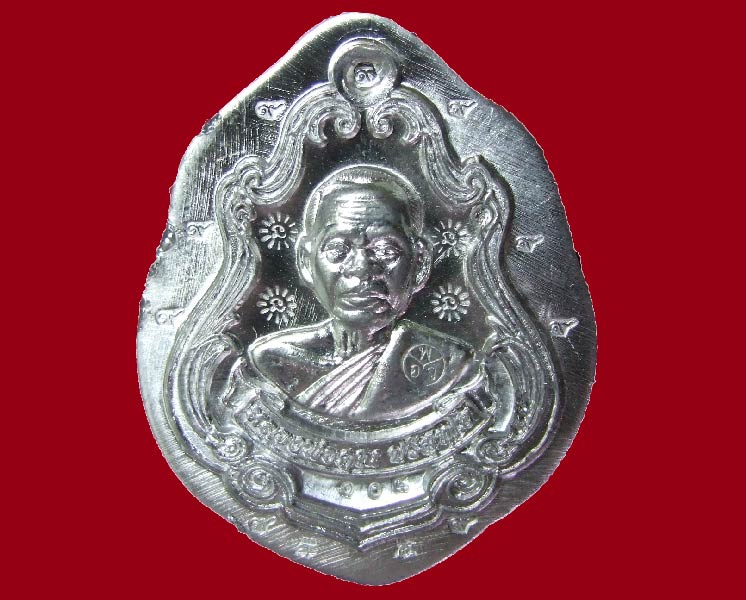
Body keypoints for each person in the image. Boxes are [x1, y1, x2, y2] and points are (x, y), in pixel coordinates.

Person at [247, 165, 481, 422]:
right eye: (338, 250)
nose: (362, 269)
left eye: (385, 250)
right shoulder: (272, 361)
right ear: (305, 262)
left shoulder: (451, 364)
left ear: (421, 264)